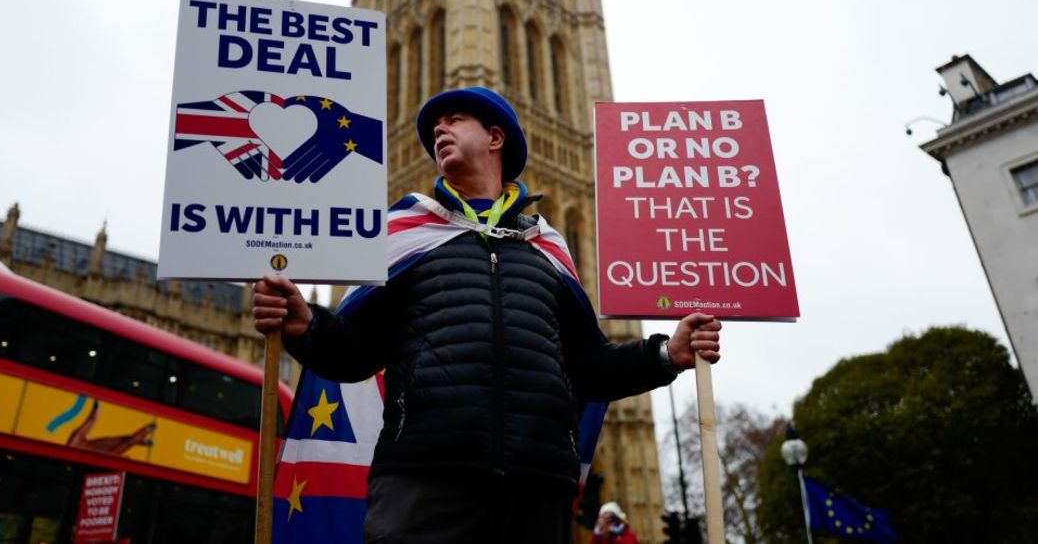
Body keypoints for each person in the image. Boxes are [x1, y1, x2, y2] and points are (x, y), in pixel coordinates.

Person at [253, 86, 722, 544]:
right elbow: (353, 355)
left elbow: (588, 369)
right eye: (435, 126)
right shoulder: (403, 232)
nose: (439, 128)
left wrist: (665, 353)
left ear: (495, 139)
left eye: (455, 120)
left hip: (536, 488)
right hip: (425, 482)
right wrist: (305, 326)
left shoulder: (548, 249)